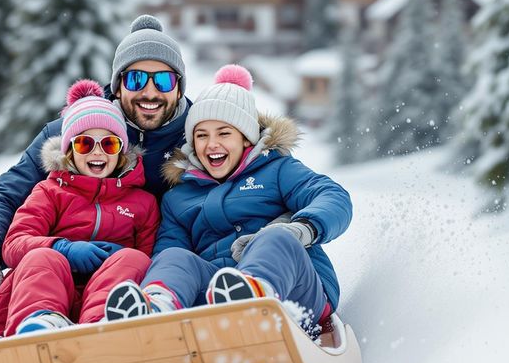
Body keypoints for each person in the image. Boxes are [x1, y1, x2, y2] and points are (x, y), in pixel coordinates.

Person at [0, 15, 191, 321]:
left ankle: (107, 326)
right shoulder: (72, 132)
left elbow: (242, 188)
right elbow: (7, 195)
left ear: (179, 87)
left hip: (133, 277)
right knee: (42, 264)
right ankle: (35, 324)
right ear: (118, 85)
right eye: (135, 79)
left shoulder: (201, 137)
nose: (149, 92)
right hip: (55, 272)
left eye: (163, 80)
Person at [103, 65, 352, 337]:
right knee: (173, 257)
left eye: (224, 133)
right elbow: (169, 255)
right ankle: (156, 310)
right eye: (201, 135)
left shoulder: (277, 170)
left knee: (273, 238)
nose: (212, 144)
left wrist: (301, 228)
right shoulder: (179, 197)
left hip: (296, 292)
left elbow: (332, 196)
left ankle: (254, 300)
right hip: (216, 297)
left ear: (245, 138)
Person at [0, 81, 159, 336]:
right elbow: (14, 244)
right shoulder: (50, 192)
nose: (97, 152)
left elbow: (149, 261)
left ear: (121, 151)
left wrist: (121, 258)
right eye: (85, 144)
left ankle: (104, 323)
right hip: (47, 291)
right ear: (69, 151)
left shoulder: (143, 203)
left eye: (109, 144)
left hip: (104, 294)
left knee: (134, 259)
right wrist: (61, 248)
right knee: (43, 258)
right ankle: (38, 324)